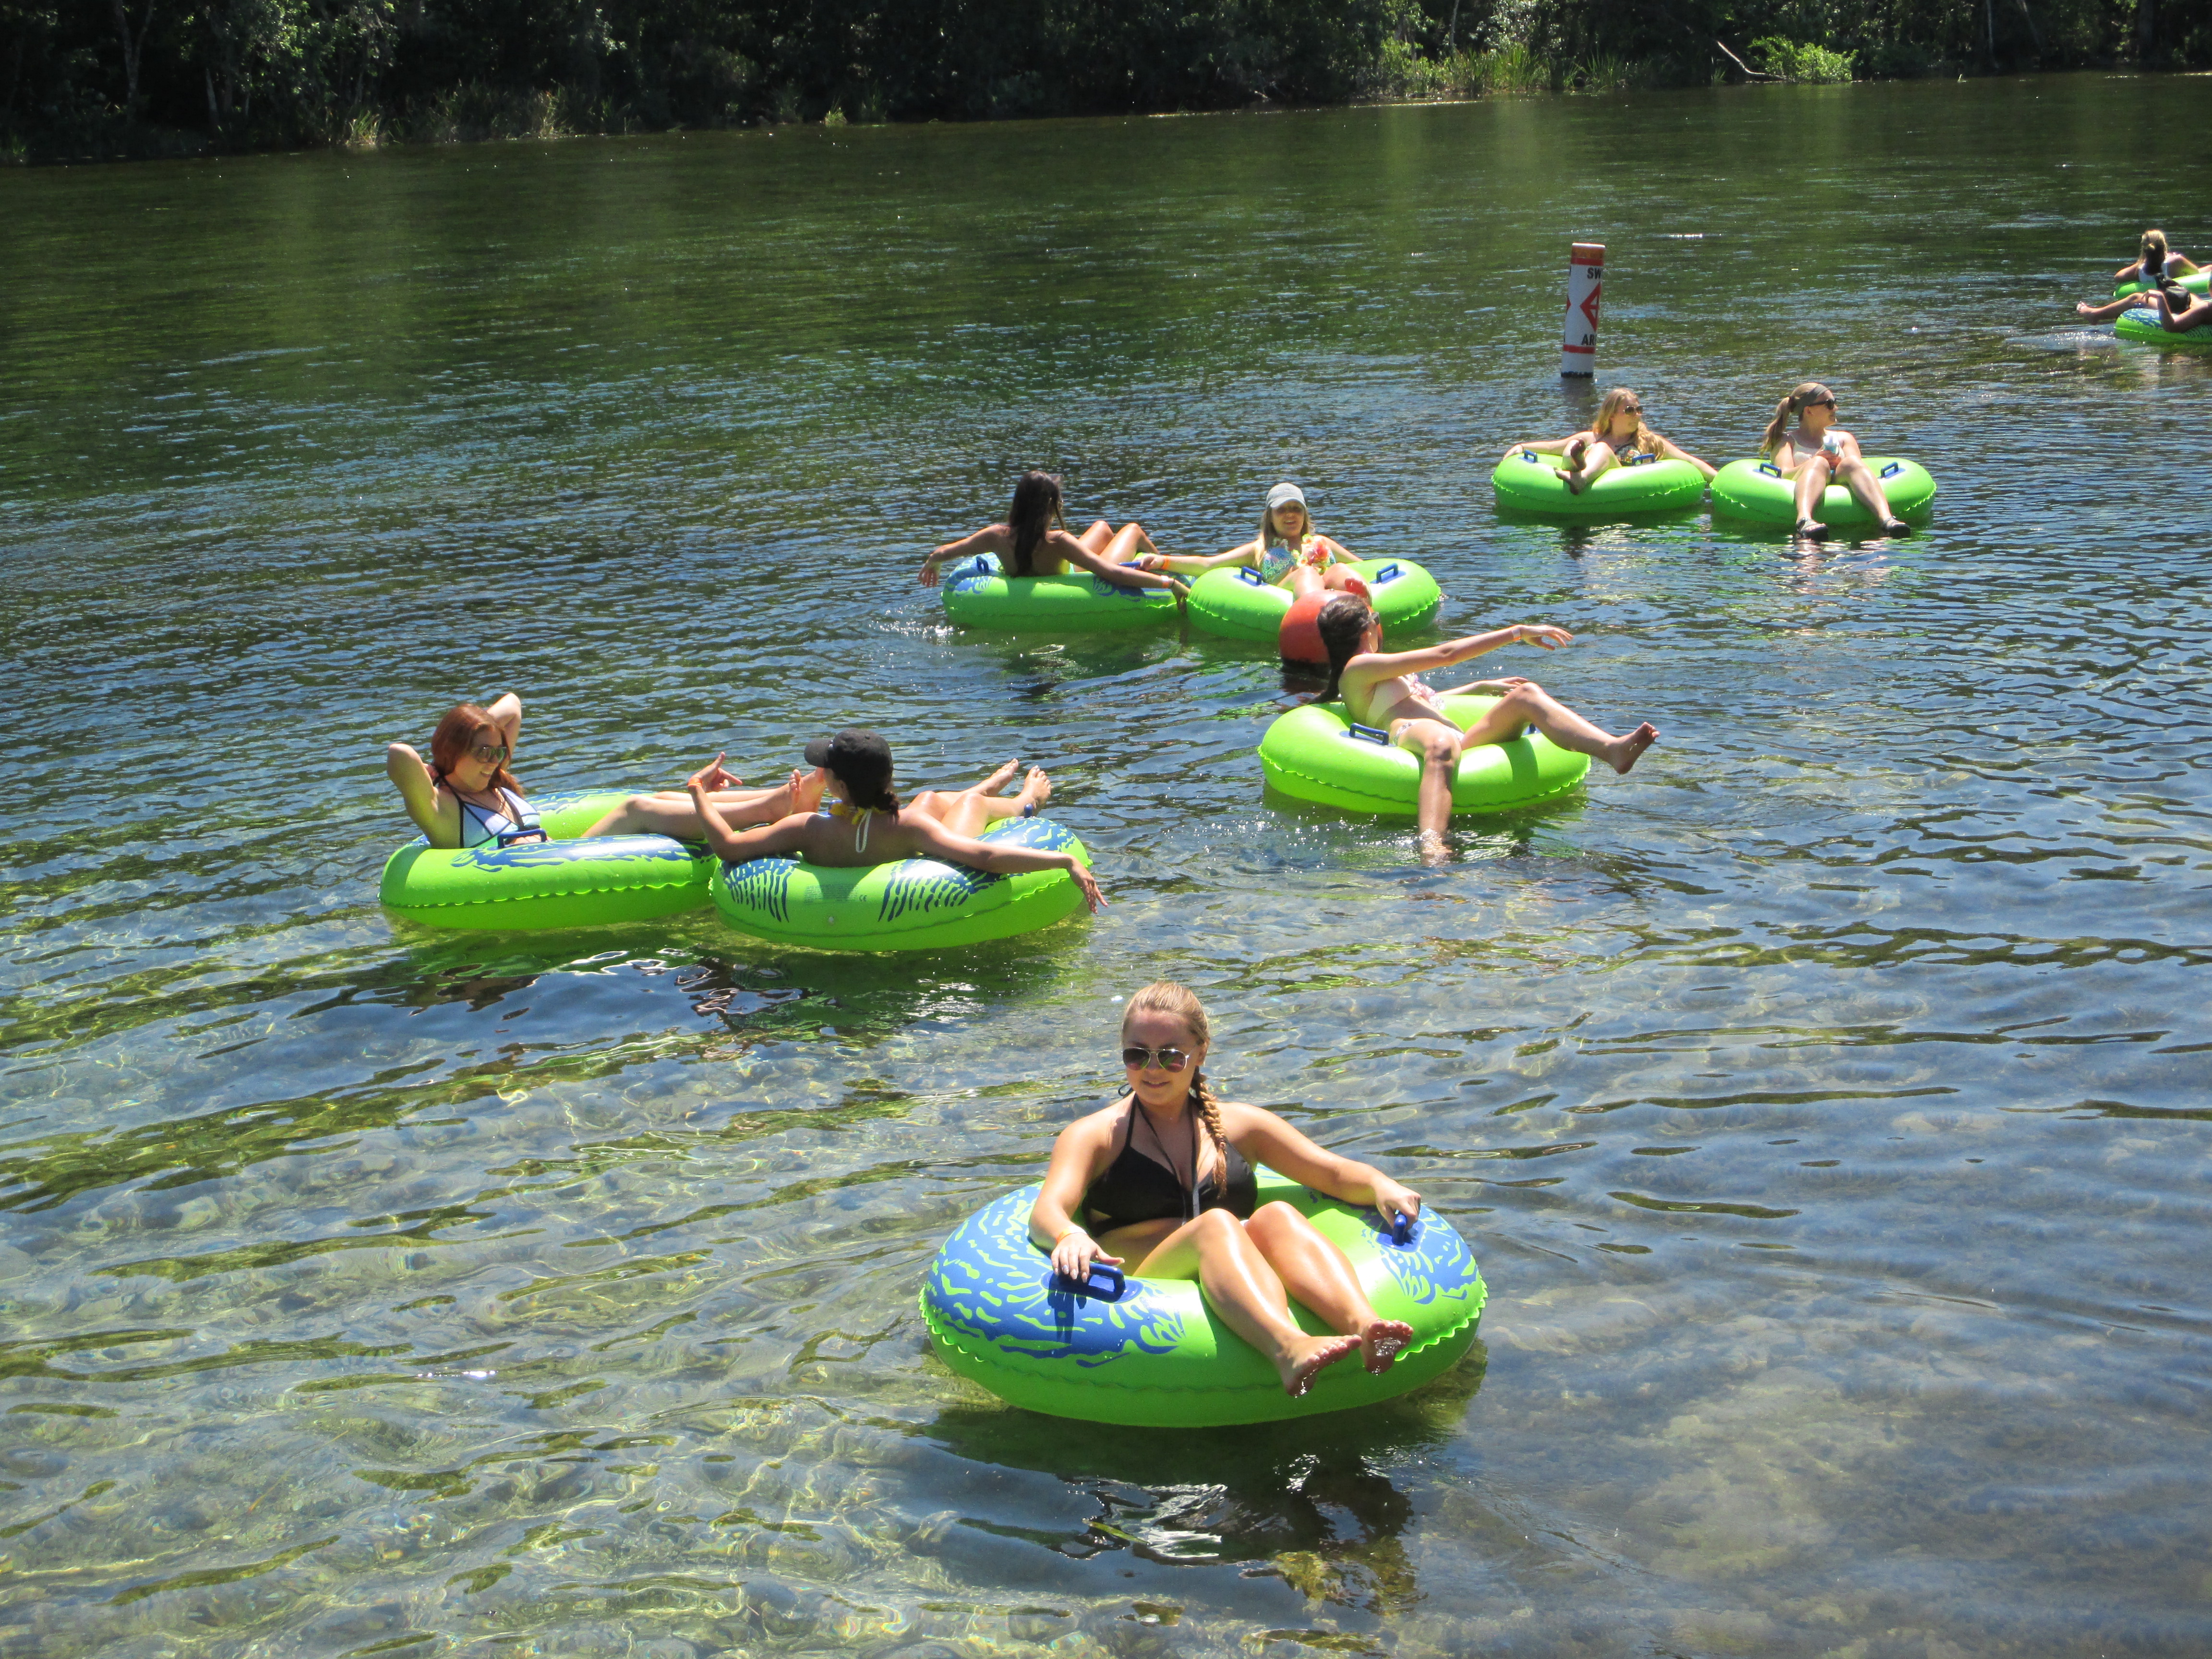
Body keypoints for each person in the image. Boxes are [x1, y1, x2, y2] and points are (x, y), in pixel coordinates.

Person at [1030, 981, 1423, 1399]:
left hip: (1228, 1264)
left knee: (1277, 1216)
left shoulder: (1242, 1126)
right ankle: (1287, 1347)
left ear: (1200, 1052)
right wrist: (1069, 1235)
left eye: (1170, 1056)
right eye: (1136, 1055)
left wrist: (1381, 1184)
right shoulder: (1097, 1135)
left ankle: (1365, 1327)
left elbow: (1330, 1173)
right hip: (1140, 1275)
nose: (1152, 1068)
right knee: (1217, 1224)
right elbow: (1047, 1210)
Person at [1314, 595, 1657, 861]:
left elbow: (1421, 698)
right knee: (1441, 740)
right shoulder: (1358, 667)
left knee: (1528, 694)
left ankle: (1611, 749)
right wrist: (1516, 633)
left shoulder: (1372, 672)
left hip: (1457, 739)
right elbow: (1446, 654)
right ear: (1368, 630)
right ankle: (1432, 845)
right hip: (1414, 736)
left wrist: (1477, 687)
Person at [683, 728, 1106, 914]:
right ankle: (1019, 799)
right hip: (909, 846)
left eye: (824, 771)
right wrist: (1063, 861)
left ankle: (1016, 799)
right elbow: (985, 855)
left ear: (839, 787)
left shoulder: (808, 830)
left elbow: (727, 847)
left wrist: (700, 794)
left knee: (941, 801)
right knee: (954, 805)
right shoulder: (907, 828)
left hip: (878, 852)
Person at [385, 695, 817, 851]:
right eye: (480, 752)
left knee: (663, 796)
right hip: (540, 871)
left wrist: (482, 735)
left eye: (498, 753)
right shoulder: (443, 809)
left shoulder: (493, 776)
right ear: (452, 751)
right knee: (635, 808)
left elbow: (512, 705)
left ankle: (783, 797)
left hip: (558, 854)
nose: (492, 762)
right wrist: (441, 762)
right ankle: (773, 808)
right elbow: (398, 754)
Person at [919, 471, 1189, 599]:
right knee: (1132, 530)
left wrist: (935, 561)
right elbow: (1110, 573)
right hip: (1072, 573)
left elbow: (947, 551)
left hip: (1045, 566)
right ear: (1051, 507)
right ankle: (1174, 570)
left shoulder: (995, 536)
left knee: (1103, 528)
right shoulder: (1058, 541)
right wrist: (1169, 585)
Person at [1131, 482, 1365, 597]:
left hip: (1334, 595)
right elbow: (1209, 564)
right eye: (1282, 510)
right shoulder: (1259, 550)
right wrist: (1162, 561)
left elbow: (1365, 567)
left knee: (1342, 569)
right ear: (1270, 517)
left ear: (1305, 515)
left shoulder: (1322, 541)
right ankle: (1319, 615)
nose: (1290, 515)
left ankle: (1365, 616)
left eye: (1296, 509)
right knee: (1306, 573)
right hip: (1290, 596)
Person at [1759, 382, 1912, 540]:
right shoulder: (1787, 441)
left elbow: (1857, 470)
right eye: (1829, 404)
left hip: (1839, 480)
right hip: (1806, 483)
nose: (1836, 408)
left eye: (1835, 402)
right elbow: (1784, 475)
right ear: (1809, 410)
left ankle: (1887, 519)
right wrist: (1817, 459)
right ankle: (1804, 519)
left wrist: (1836, 462)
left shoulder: (1844, 439)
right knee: (1819, 462)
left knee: (1851, 462)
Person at [1509, 388, 1717, 495]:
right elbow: (1551, 447)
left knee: (1602, 449)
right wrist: (1521, 447)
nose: (1636, 415)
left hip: (1622, 484)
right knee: (1577, 446)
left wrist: (1718, 480)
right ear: (1611, 416)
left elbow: (1689, 462)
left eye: (1638, 410)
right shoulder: (1592, 437)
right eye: (1629, 411)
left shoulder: (1650, 441)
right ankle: (1576, 463)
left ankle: (1581, 476)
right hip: (1594, 483)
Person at [2113, 228, 2199, 295]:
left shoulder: (2139, 269)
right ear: (2164, 246)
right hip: (2176, 301)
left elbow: (2118, 277)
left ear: (2144, 249)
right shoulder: (2175, 261)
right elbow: (2196, 273)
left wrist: (2141, 263)